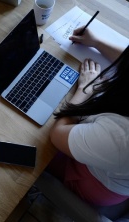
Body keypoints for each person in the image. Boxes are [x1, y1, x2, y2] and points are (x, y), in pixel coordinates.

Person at [48, 26, 129, 206]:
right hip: (113, 165)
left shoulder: (121, 138)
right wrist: (96, 42)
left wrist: (86, 89)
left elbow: (57, 133)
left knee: (37, 148)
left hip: (94, 183)